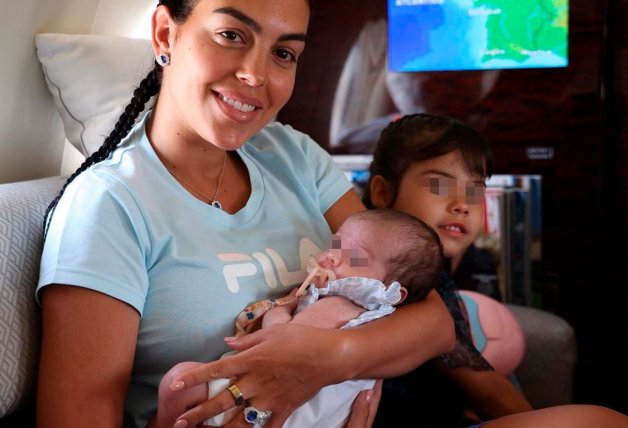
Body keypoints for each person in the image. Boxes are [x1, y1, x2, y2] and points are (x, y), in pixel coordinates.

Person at [35, 2, 457, 428]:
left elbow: (435, 321)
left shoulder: (293, 155)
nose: (256, 75)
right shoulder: (109, 205)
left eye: (283, 53)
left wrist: (325, 363)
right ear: (165, 34)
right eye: (231, 35)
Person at [363, 113, 628, 427]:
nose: (463, 204)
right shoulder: (390, 275)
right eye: (440, 185)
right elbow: (484, 388)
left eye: (475, 191)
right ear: (382, 192)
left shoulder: (434, 272)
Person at [152, 209, 444, 428]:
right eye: (335, 244)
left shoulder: (342, 306)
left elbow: (281, 344)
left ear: (392, 292)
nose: (331, 257)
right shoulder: (375, 322)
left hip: (277, 407)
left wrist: (279, 310)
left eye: (354, 256)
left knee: (179, 381)